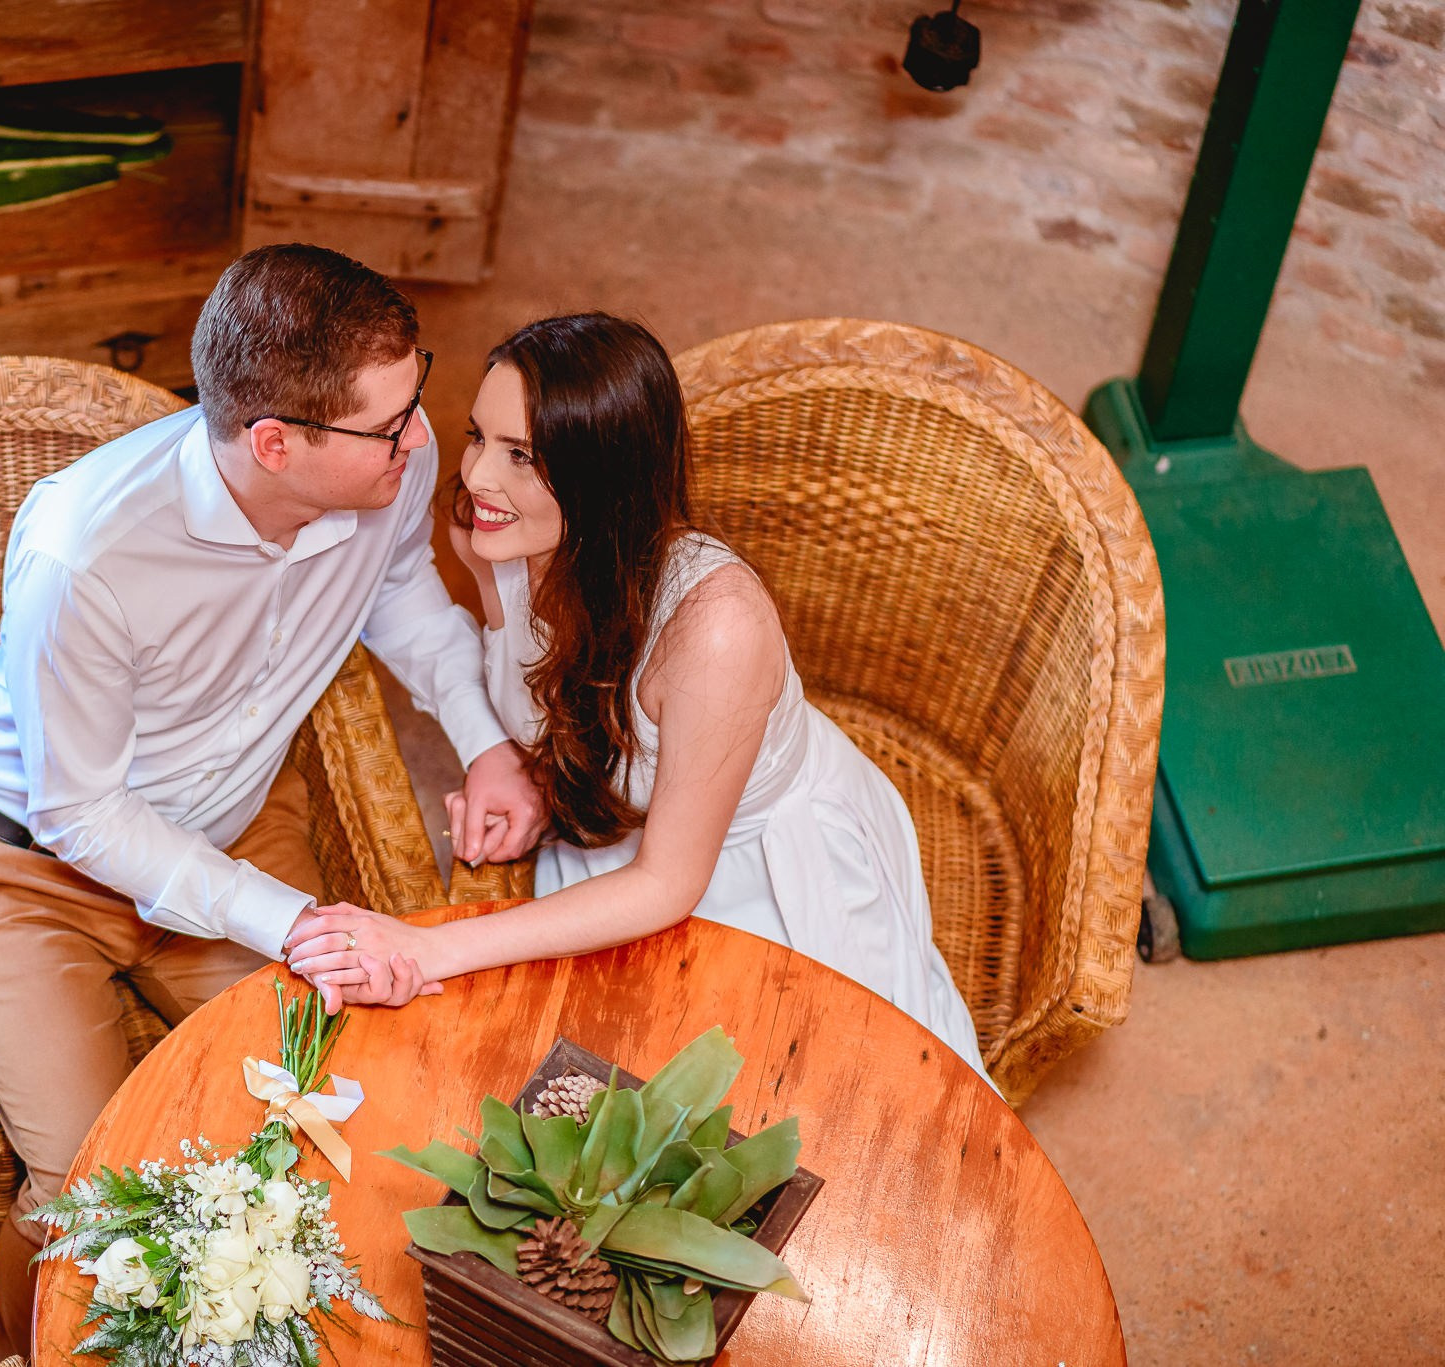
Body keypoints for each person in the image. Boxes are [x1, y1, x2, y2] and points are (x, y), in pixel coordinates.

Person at [0, 244, 543, 1364]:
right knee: (87, 1180)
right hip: (26, 868)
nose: (422, 442)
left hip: (238, 817)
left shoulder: (384, 456)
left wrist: (485, 741)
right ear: (273, 442)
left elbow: (399, 591)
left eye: (414, 398)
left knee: (333, 1101)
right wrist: (288, 919)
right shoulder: (86, 552)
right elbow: (80, 813)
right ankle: (11, 1348)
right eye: (388, 425)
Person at [285, 312, 990, 1083]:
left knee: (799, 1109)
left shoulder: (718, 627)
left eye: (522, 456)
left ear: (602, 478)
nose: (480, 477)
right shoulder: (489, 535)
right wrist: (525, 772)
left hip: (758, 867)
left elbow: (667, 882)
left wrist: (428, 945)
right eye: (479, 436)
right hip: (612, 837)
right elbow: (544, 694)